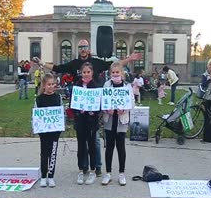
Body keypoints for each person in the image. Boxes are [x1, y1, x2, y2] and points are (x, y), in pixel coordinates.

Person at [33, 38, 142, 176]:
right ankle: (82, 167)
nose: (83, 49)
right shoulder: (74, 64)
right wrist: (42, 63)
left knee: (94, 140)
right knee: (81, 141)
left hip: (94, 109)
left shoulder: (96, 62)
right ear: (78, 50)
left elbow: (113, 65)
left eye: (85, 46)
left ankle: (97, 166)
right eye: (80, 47)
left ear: (89, 48)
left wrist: (129, 59)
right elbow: (57, 68)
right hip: (80, 109)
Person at [101, 62, 134, 186]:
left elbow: (132, 102)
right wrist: (106, 109)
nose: (115, 74)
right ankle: (108, 173)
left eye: (117, 72)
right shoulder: (106, 85)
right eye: (113, 72)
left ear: (122, 73)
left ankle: (121, 173)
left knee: (121, 147)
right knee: (109, 147)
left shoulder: (127, 87)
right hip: (109, 119)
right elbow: (102, 101)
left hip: (122, 120)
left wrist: (124, 109)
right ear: (110, 74)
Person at [72, 63, 100, 185]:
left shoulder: (95, 86)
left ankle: (93, 170)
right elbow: (73, 103)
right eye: (84, 72)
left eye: (88, 72)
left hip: (92, 121)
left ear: (92, 73)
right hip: (80, 120)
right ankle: (81, 170)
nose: (86, 74)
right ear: (81, 73)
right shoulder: (77, 86)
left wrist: (93, 112)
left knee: (92, 146)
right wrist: (78, 110)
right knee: (81, 146)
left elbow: (99, 104)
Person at [35, 73, 62, 188]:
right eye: (49, 84)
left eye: (53, 84)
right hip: (44, 131)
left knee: (53, 153)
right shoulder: (39, 99)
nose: (51, 86)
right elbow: (36, 114)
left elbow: (61, 113)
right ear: (44, 85)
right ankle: (43, 176)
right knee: (44, 153)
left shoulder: (58, 97)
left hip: (55, 132)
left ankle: (51, 176)